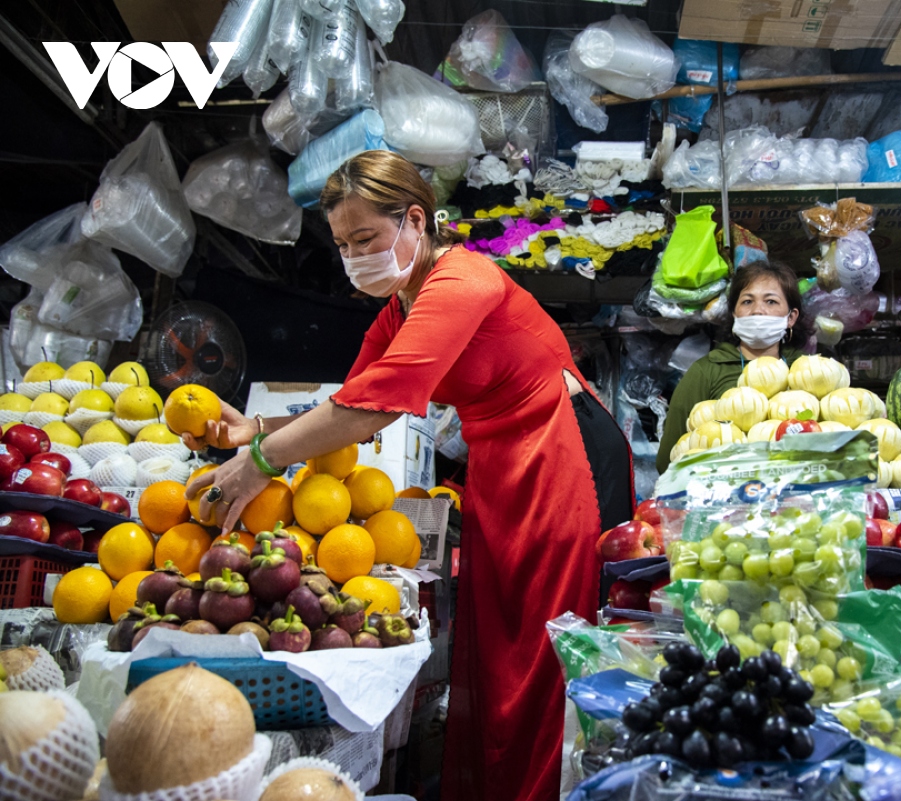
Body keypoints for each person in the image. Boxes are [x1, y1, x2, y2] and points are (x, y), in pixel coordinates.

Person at [184, 150, 633, 801]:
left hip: (563, 460)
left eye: (365, 237)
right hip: (502, 473)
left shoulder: (463, 281)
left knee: (544, 659)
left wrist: (261, 462)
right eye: (342, 244)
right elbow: (351, 403)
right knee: (500, 657)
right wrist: (248, 431)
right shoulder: (401, 306)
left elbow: (374, 403)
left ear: (415, 220)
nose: (353, 256)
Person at [656, 261, 805, 474]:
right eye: (747, 301)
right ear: (734, 314)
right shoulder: (706, 372)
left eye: (771, 301)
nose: (757, 311)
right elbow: (669, 460)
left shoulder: (804, 371)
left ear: (791, 317)